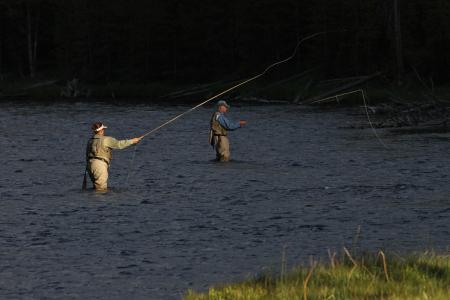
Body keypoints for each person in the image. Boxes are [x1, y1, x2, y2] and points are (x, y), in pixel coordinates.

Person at [85, 122, 143, 191]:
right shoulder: (106, 139)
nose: (104, 131)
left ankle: (92, 201)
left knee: (96, 188)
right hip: (100, 166)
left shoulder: (90, 140)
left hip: (89, 165)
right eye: (103, 129)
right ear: (101, 130)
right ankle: (100, 202)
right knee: (101, 191)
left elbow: (87, 155)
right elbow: (119, 144)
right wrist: (132, 141)